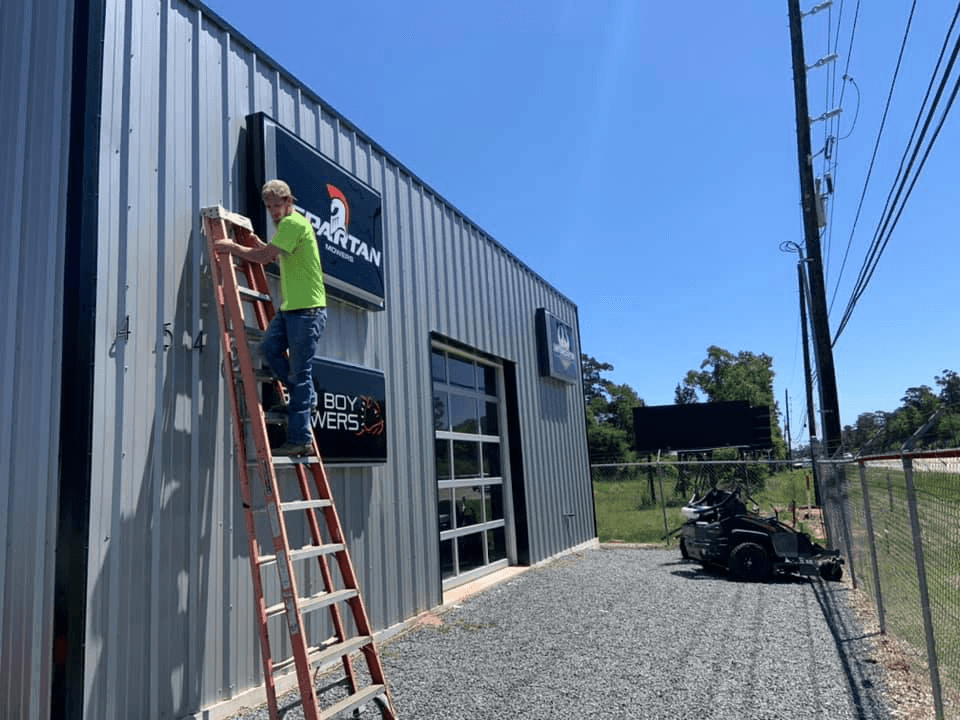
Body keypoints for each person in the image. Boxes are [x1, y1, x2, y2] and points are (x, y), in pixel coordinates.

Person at [215, 179, 327, 456]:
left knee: (300, 375)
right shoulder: (287, 227)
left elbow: (264, 258)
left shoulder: (293, 224)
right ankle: (306, 396)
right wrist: (260, 244)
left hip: (308, 310)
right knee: (269, 348)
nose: (274, 212)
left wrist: (232, 248)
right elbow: (278, 256)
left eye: (278, 206)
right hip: (292, 308)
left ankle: (300, 439)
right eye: (269, 207)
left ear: (289, 202)